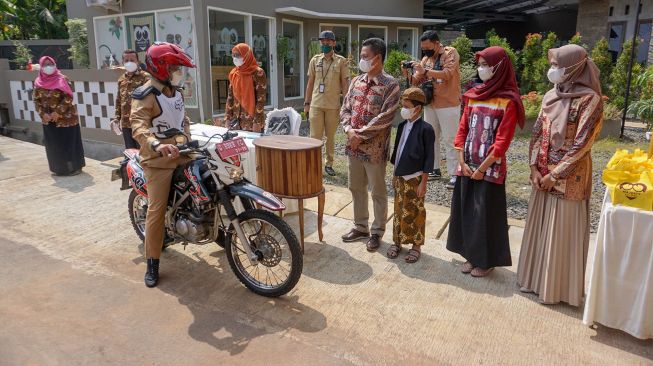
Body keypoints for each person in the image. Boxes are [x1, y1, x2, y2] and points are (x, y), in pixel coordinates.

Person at [517, 44, 603, 306]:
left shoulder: (591, 100)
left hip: (569, 180)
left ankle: (557, 290)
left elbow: (582, 145)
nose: (553, 70)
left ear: (576, 67)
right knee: (540, 228)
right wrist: (533, 168)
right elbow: (536, 133)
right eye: (552, 64)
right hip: (541, 176)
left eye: (558, 65)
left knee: (560, 234)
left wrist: (555, 175)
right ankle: (533, 281)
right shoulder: (551, 95)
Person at [446, 46, 525, 277]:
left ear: (499, 68)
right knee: (467, 211)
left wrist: (482, 168)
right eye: (479, 64)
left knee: (485, 215)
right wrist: (462, 161)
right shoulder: (473, 96)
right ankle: (471, 255)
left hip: (490, 169)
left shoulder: (508, 101)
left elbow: (502, 141)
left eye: (485, 65)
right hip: (467, 165)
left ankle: (486, 260)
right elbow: (462, 130)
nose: (481, 69)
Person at [130, 42, 196, 288]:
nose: (179, 72)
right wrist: (156, 145)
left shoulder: (175, 91)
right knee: (156, 210)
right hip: (158, 161)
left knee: (209, 180)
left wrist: (187, 138)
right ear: (161, 68)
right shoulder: (145, 94)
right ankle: (152, 262)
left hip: (182, 153)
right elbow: (138, 126)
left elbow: (183, 119)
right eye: (175, 67)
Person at [340, 38, 401, 252]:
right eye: (362, 56)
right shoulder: (356, 81)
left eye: (365, 56)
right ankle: (360, 226)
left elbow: (386, 117)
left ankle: (377, 231)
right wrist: (349, 130)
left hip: (375, 150)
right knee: (355, 187)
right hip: (353, 146)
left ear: (378, 58)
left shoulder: (390, 85)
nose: (362, 60)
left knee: (377, 191)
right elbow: (345, 108)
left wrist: (361, 135)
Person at [405, 30, 461, 189]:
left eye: (428, 47)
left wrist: (425, 71)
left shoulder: (451, 53)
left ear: (437, 44)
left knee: (450, 139)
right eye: (423, 49)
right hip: (431, 103)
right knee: (431, 138)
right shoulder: (425, 59)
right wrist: (409, 73)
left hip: (449, 103)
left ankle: (455, 174)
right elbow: (416, 81)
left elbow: (448, 74)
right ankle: (435, 169)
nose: (425, 51)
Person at [388, 87, 434, 263]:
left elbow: (429, 157)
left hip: (415, 178)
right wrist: (394, 173)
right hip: (400, 176)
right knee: (399, 209)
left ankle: (416, 245)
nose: (404, 109)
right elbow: (398, 151)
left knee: (415, 211)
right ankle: (397, 241)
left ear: (418, 109)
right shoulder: (401, 126)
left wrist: (424, 181)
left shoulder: (426, 129)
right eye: (403, 105)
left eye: (407, 106)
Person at [304, 30, 350, 176]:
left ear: (334, 43)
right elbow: (310, 83)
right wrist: (306, 103)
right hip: (316, 105)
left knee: (330, 137)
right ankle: (313, 164)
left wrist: (346, 104)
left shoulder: (341, 61)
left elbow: (345, 84)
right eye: (323, 42)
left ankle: (328, 164)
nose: (325, 44)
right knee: (314, 137)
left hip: (333, 106)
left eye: (328, 42)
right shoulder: (315, 60)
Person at [33, 56, 86, 176]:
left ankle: (74, 168)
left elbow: (68, 97)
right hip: (49, 121)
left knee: (69, 144)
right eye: (45, 64)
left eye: (50, 64)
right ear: (41, 67)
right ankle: (59, 169)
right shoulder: (37, 82)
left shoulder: (63, 79)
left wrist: (58, 112)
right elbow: (36, 100)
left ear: (54, 65)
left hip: (66, 119)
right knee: (54, 145)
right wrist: (43, 114)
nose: (48, 67)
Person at [216, 43, 267, 132]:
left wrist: (257, 122)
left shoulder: (258, 73)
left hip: (252, 121)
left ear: (247, 55)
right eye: (233, 55)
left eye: (238, 55)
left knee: (252, 145)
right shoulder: (234, 73)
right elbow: (230, 97)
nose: (235, 58)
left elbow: (261, 99)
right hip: (236, 121)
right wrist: (227, 118)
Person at [110, 49, 149, 149]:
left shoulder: (146, 78)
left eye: (132, 60)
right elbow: (119, 100)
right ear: (122, 62)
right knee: (130, 152)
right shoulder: (121, 79)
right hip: (126, 124)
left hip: (141, 124)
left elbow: (151, 100)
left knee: (143, 153)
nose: (129, 62)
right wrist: (116, 118)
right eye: (126, 60)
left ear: (138, 61)